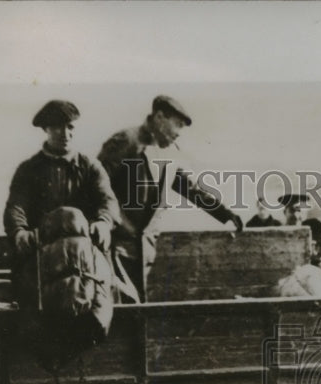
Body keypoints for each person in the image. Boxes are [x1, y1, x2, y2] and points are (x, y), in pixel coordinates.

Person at [98, 95, 243, 299]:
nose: (179, 134)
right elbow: (96, 186)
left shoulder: (168, 153)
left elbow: (188, 188)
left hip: (144, 250)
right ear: (159, 118)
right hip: (116, 246)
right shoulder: (125, 141)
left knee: (137, 312)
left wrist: (224, 213)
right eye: (178, 125)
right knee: (122, 313)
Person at [4, 100, 120, 301]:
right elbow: (16, 207)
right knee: (31, 304)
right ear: (46, 129)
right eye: (57, 127)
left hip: (84, 255)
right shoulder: (29, 169)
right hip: (43, 255)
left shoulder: (90, 167)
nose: (65, 134)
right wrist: (19, 232)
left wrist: (103, 223)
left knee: (105, 299)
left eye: (70, 127)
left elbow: (107, 201)